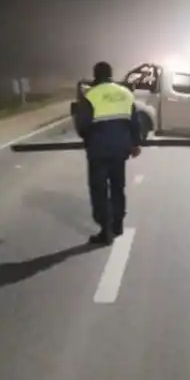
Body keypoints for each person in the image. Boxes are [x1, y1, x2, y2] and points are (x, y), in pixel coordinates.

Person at [73, 61, 142, 245]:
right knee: (118, 187)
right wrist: (135, 143)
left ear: (95, 76)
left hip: (98, 151)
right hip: (120, 150)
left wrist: (89, 137)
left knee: (99, 190)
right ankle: (118, 223)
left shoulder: (91, 96)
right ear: (111, 75)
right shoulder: (125, 94)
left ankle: (106, 229)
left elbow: (82, 126)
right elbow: (135, 122)